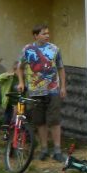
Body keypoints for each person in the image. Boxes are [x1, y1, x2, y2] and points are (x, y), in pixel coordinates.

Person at [17, 24, 66, 160]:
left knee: (55, 120)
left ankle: (57, 150)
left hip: (53, 90)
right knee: (40, 121)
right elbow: (19, 67)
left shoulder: (54, 49)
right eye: (44, 33)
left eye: (48, 33)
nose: (47, 36)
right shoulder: (27, 50)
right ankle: (44, 149)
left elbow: (61, 68)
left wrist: (63, 87)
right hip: (35, 91)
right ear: (35, 35)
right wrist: (21, 82)